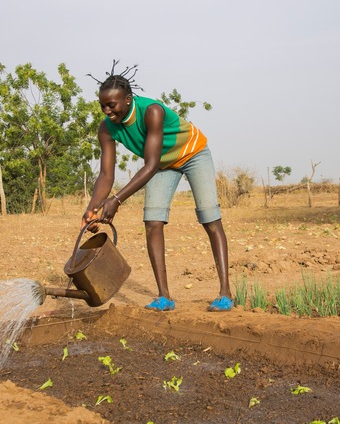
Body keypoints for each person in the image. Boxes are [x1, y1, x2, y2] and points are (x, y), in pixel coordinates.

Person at [82, 63, 233, 312]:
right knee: (152, 221)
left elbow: (150, 165)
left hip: (192, 152)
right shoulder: (106, 128)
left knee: (209, 216)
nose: (107, 111)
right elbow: (106, 174)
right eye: (103, 106)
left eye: (113, 105)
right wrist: (92, 208)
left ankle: (225, 293)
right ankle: (164, 297)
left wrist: (116, 200)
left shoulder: (151, 111)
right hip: (164, 164)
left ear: (128, 99)